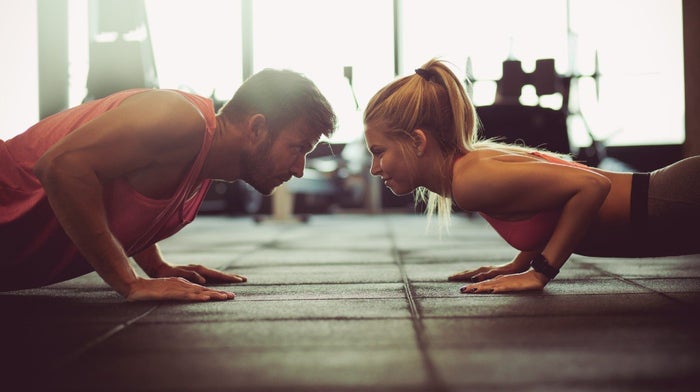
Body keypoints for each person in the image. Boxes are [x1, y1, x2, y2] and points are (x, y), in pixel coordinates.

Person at [363, 58, 700, 294]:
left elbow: (592, 185)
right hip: (668, 204)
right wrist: (516, 265)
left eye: (379, 152)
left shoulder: (470, 180)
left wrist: (540, 273)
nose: (374, 168)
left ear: (418, 142)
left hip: (670, 201)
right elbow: (544, 206)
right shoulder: (468, 167)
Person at [0, 68, 336, 301]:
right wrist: (129, 283)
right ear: (257, 128)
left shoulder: (198, 158)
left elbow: (120, 190)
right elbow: (61, 167)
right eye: (298, 148)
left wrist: (156, 267)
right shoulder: (177, 117)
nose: (299, 169)